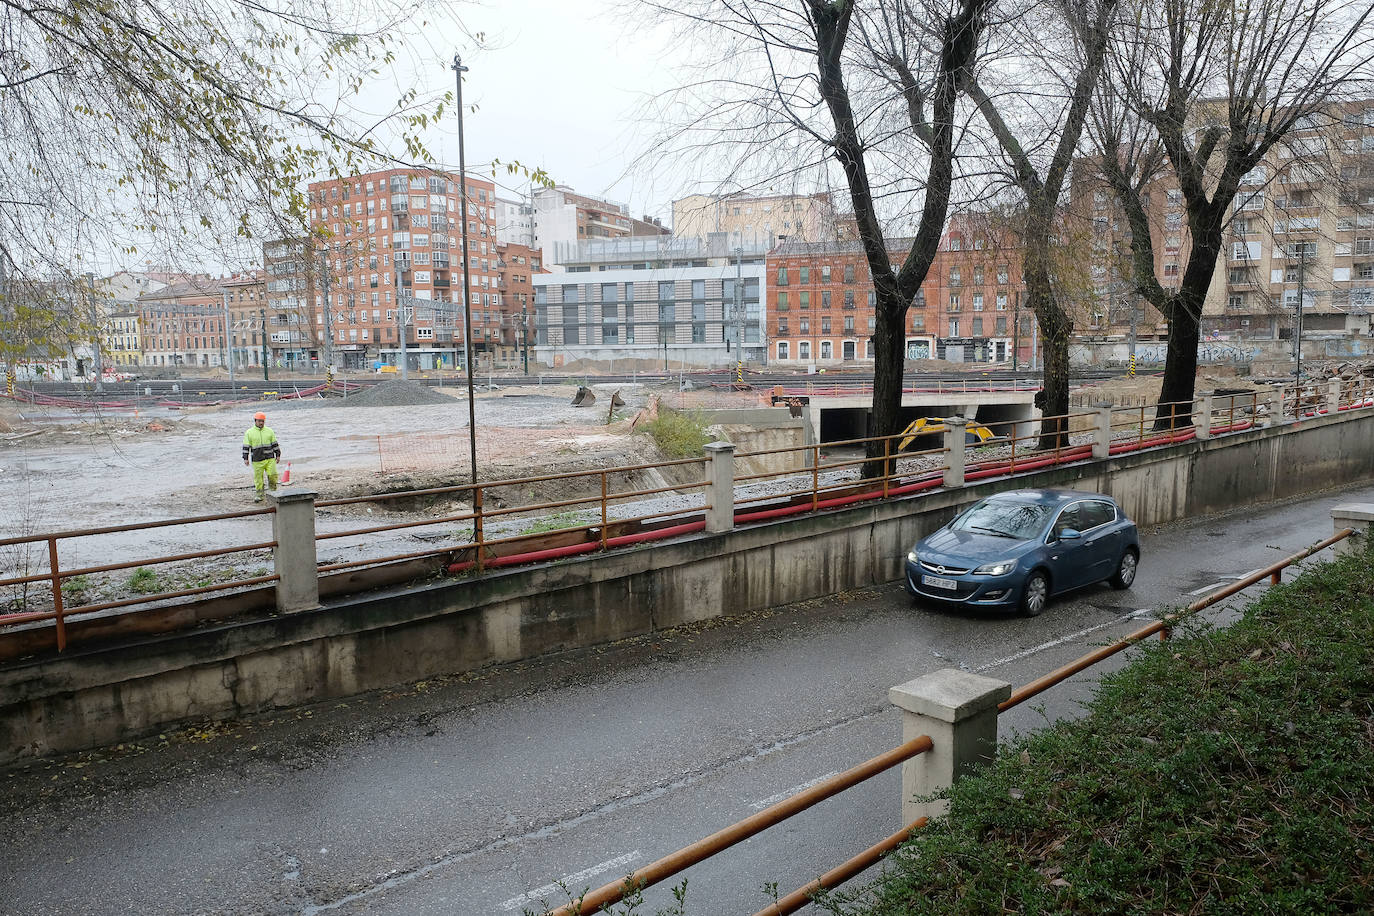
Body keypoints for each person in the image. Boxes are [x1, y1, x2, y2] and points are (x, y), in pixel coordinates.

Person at [242, 411, 281, 502]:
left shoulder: (269, 431)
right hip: (257, 460)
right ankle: (259, 494)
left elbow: (275, 444)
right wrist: (245, 458)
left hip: (270, 458)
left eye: (263, 421)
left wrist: (278, 455)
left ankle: (273, 492)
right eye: (259, 421)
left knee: (272, 475)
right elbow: (246, 446)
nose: (261, 423)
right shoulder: (249, 433)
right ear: (255, 421)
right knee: (258, 478)